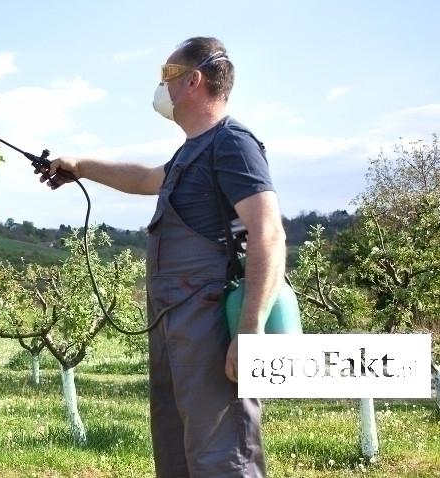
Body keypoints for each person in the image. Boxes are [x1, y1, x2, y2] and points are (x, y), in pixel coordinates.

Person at [38, 37, 285, 477]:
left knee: (222, 455)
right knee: (178, 452)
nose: (160, 86)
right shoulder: (194, 149)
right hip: (176, 324)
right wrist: (80, 165)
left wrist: (249, 331)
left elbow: (268, 233)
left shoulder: (233, 143)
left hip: (210, 326)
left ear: (194, 80)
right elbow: (145, 178)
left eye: (167, 75)